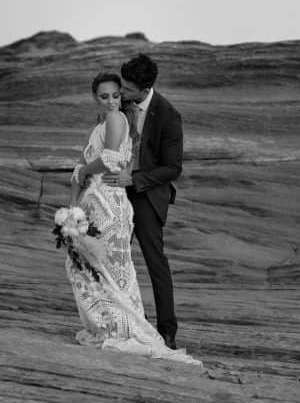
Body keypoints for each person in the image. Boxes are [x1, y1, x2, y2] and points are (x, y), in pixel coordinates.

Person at [60, 72, 198, 365]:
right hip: (96, 201)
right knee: (98, 266)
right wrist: (73, 208)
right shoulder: (102, 123)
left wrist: (84, 172)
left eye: (115, 95)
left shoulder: (115, 119)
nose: (111, 101)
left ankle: (126, 329)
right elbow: (84, 166)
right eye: (104, 96)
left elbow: (108, 160)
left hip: (109, 202)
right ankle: (114, 325)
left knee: (108, 268)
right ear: (94, 97)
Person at [101, 55, 183, 350]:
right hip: (115, 192)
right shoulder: (118, 105)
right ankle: (116, 322)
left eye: (127, 88)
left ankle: (167, 330)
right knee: (111, 258)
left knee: (154, 260)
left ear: (145, 88)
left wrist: (134, 179)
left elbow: (173, 167)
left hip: (147, 194)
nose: (121, 92)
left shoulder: (168, 115)